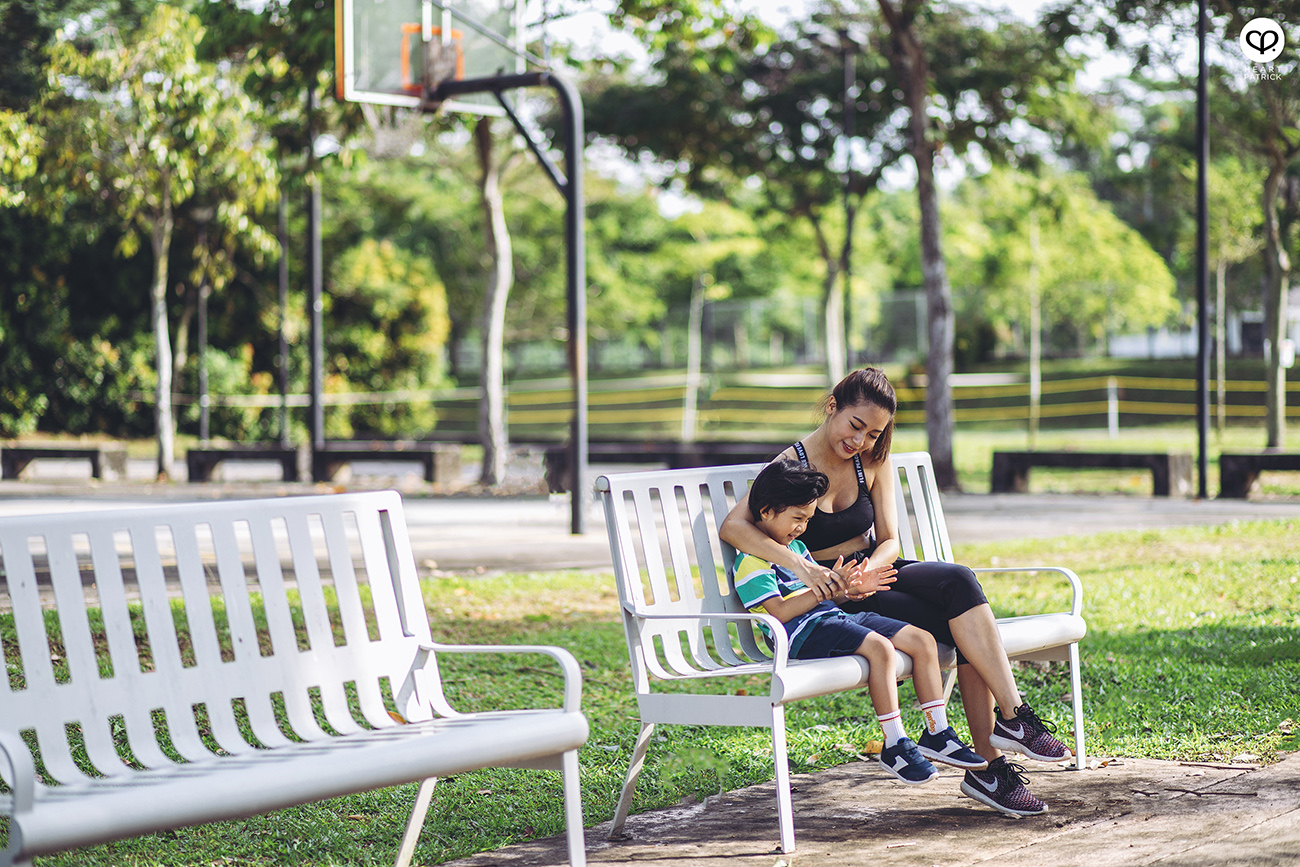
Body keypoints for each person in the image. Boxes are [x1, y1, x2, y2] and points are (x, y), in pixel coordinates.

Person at [720, 367, 1071, 817]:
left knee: (958, 581)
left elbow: (890, 540)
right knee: (956, 623)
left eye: (873, 433)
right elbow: (735, 526)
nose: (861, 441)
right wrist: (804, 567)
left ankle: (1013, 716)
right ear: (832, 407)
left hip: (874, 569)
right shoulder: (789, 467)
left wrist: (870, 570)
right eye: (855, 426)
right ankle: (990, 769)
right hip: (835, 587)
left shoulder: (873, 460)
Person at [733, 458, 987, 785]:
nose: (801, 528)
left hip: (830, 618)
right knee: (880, 649)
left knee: (922, 640)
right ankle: (895, 742)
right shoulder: (751, 562)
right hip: (801, 634)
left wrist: (849, 590)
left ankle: (937, 732)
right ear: (767, 511)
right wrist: (824, 591)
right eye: (797, 518)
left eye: (808, 521)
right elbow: (778, 614)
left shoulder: (796, 548)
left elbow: (828, 597)